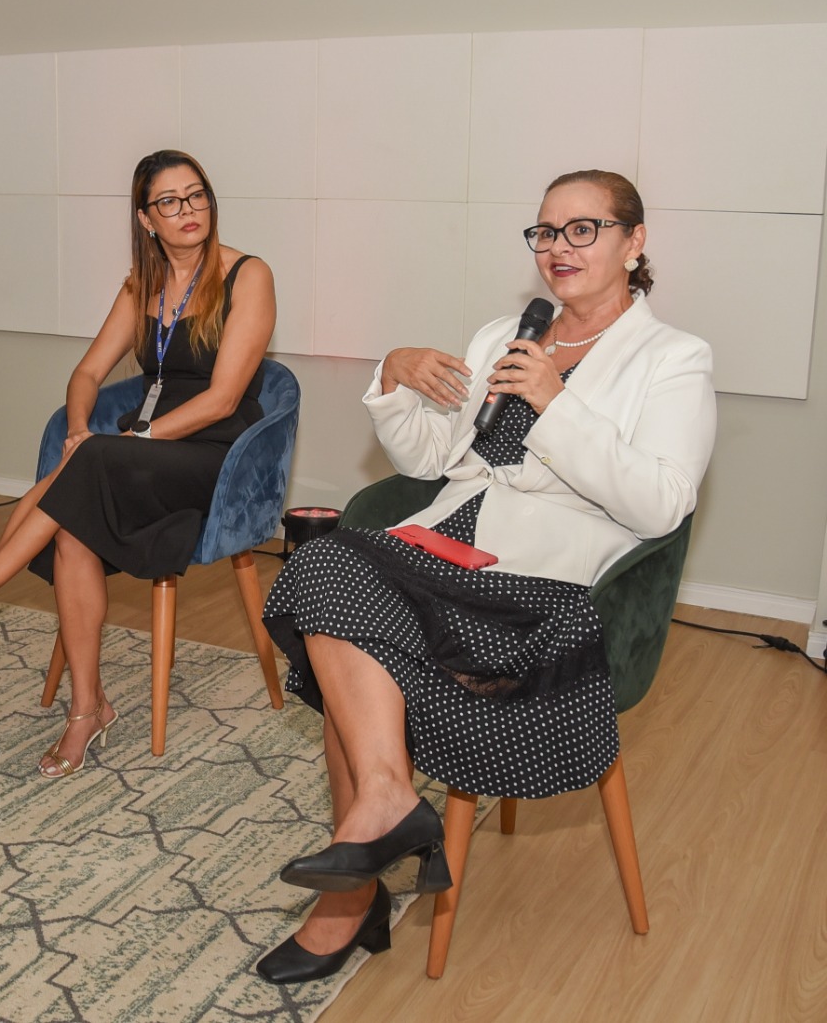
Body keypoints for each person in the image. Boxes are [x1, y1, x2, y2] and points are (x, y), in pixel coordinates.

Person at [253, 169, 716, 984]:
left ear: (633, 241)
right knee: (326, 568)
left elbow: (662, 504)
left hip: (542, 588)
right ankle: (388, 803)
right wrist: (395, 378)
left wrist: (556, 403)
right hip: (444, 549)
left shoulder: (673, 358)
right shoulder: (507, 332)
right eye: (544, 231)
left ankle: (353, 892)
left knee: (343, 622)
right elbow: (435, 461)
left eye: (582, 229)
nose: (558, 249)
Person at [0, 149, 275, 779]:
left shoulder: (247, 275)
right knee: (74, 523)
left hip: (213, 456)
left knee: (87, 471)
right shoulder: (140, 287)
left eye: (196, 195)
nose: (188, 210)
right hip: (137, 451)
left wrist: (134, 441)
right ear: (146, 219)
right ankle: (86, 711)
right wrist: (82, 429)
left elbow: (223, 398)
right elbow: (87, 371)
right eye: (169, 201)